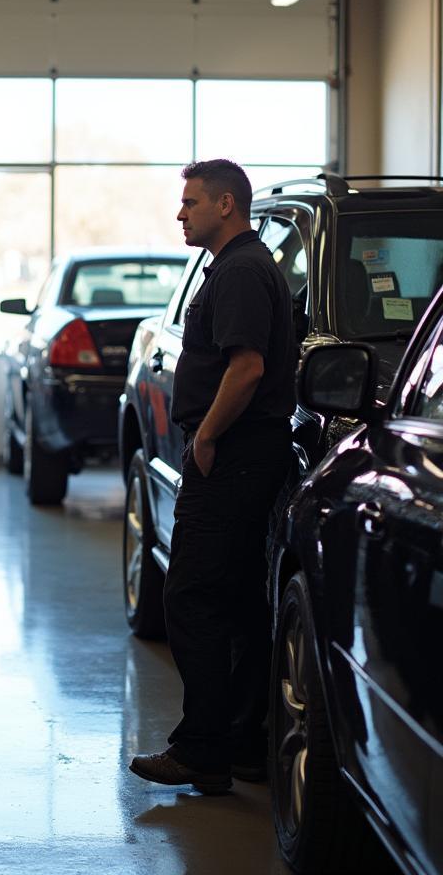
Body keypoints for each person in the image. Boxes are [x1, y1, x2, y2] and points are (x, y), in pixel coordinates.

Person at [129, 159, 296, 795]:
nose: (181, 213)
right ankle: (243, 742)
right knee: (236, 601)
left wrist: (205, 435)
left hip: (234, 457)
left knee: (191, 597)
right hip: (243, 455)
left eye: (191, 202)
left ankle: (202, 750)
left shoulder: (243, 271)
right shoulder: (238, 266)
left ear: (226, 205)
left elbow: (247, 367)